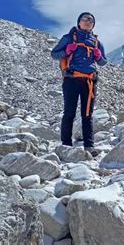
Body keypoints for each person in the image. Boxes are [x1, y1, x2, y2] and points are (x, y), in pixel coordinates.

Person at [50, 12, 107, 157]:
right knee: (69, 112)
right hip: (71, 79)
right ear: (78, 22)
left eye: (91, 20)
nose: (88, 22)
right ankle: (66, 144)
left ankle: (89, 145)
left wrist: (98, 56)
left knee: (87, 114)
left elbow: (103, 62)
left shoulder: (96, 42)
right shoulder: (69, 38)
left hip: (89, 81)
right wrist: (66, 50)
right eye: (85, 19)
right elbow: (54, 54)